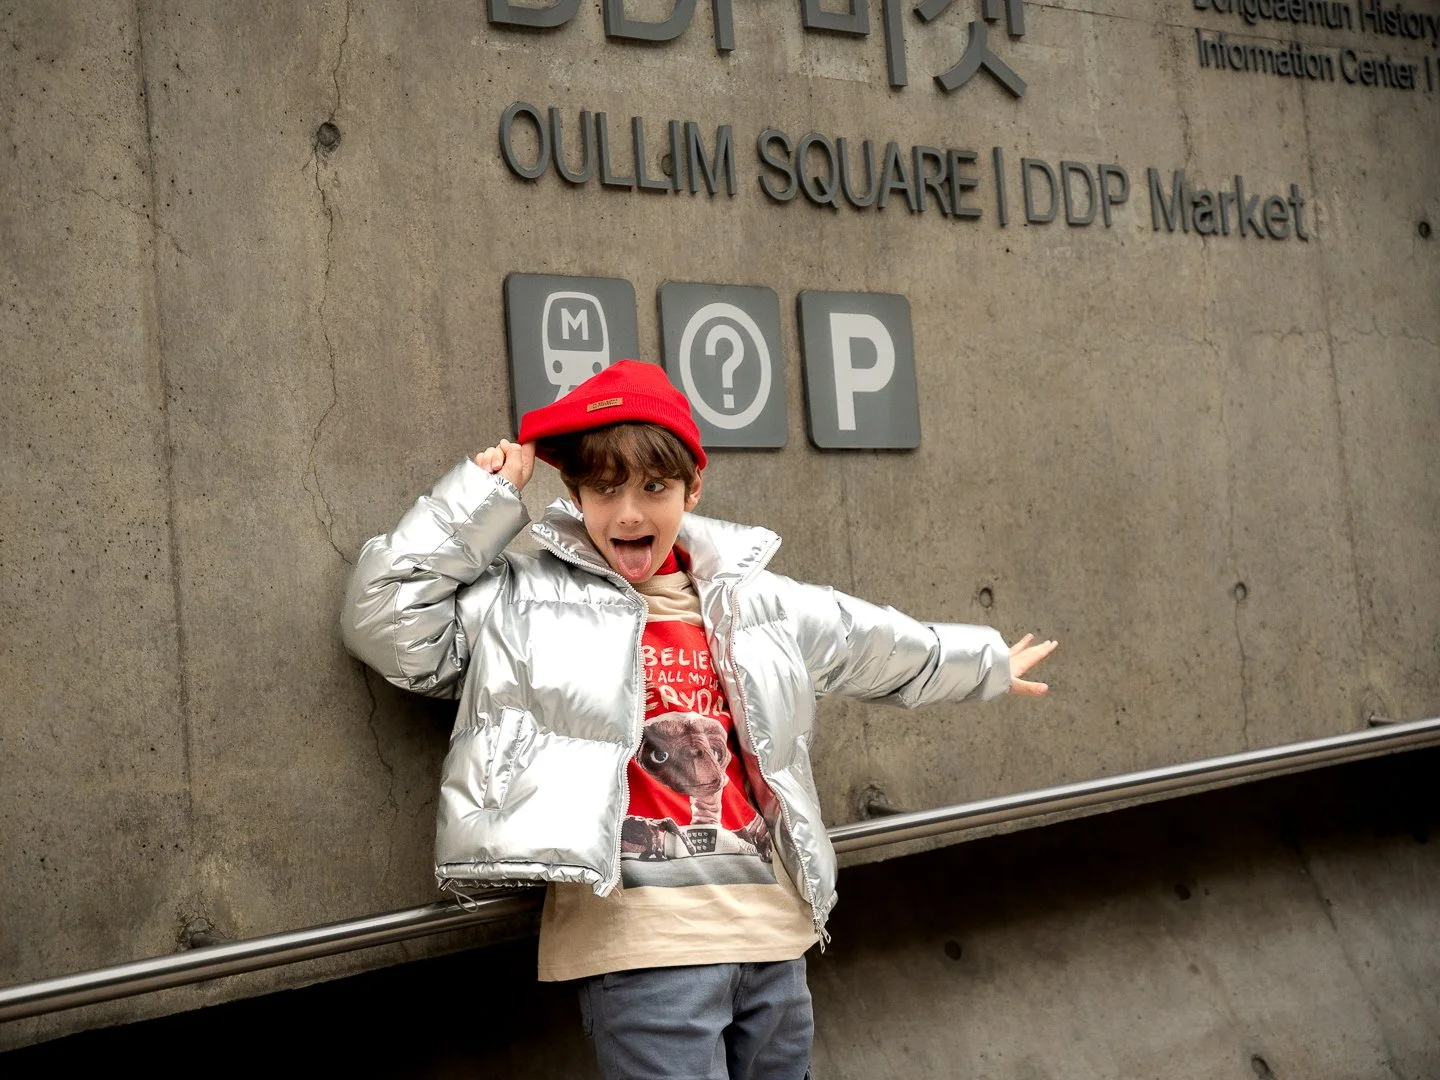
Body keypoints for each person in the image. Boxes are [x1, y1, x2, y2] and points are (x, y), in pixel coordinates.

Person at [341, 359, 1055, 1080]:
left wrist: (987, 663)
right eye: (605, 488)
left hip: (774, 940)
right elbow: (384, 622)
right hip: (644, 952)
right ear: (575, 494)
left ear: (693, 490)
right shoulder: (524, 599)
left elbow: (868, 643)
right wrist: (481, 496)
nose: (629, 513)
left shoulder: (751, 600)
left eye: (654, 488)